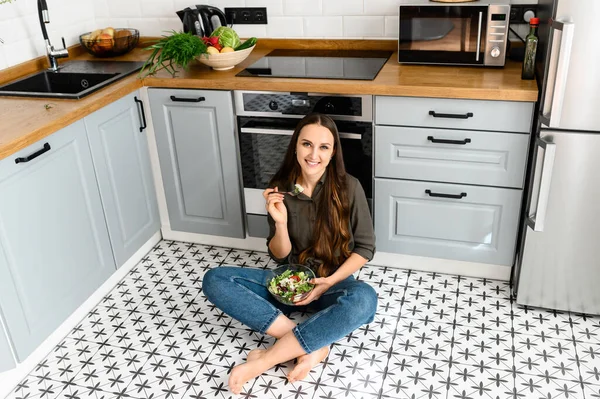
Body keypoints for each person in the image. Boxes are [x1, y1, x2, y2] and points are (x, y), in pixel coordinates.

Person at [203, 113, 377, 394]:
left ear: (333, 153)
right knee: (215, 279)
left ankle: (267, 359)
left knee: (364, 300)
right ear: (295, 146)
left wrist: (328, 284)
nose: (314, 154)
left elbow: (366, 248)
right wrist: (280, 223)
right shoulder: (281, 188)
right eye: (307, 144)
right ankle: (313, 346)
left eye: (324, 147)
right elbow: (280, 256)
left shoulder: (349, 187)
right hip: (290, 283)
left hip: (333, 283)